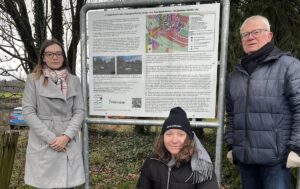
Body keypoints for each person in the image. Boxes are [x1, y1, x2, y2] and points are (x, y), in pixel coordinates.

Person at [225, 15, 300, 189]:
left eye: (256, 32)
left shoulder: (289, 67)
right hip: (245, 160)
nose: (250, 37)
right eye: (245, 34)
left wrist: (296, 147)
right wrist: (231, 144)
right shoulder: (237, 74)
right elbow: (231, 112)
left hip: (277, 160)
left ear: (269, 35)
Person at [22, 39, 85, 188]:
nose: (55, 57)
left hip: (68, 140)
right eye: (50, 54)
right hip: (44, 141)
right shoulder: (33, 80)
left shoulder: (74, 81)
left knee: (67, 185)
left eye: (58, 54)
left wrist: (66, 136)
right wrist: (52, 139)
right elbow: (28, 111)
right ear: (43, 57)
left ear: (63, 56)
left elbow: (79, 111)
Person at [136, 107, 219, 189]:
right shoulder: (152, 162)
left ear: (188, 138)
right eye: (169, 134)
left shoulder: (201, 166)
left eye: (181, 134)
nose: (174, 140)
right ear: (162, 137)